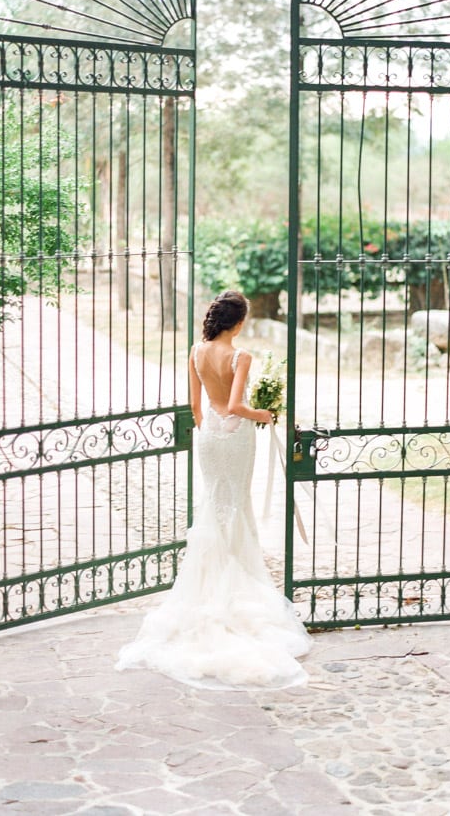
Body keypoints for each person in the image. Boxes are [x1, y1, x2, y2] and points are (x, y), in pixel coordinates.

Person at [116, 290, 311, 689]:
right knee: (236, 504)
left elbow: (196, 406)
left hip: (209, 436)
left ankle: (206, 588)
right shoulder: (241, 357)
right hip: (236, 433)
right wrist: (265, 414)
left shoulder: (195, 351)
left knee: (215, 505)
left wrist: (210, 427)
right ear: (238, 323)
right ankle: (235, 594)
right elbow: (237, 405)